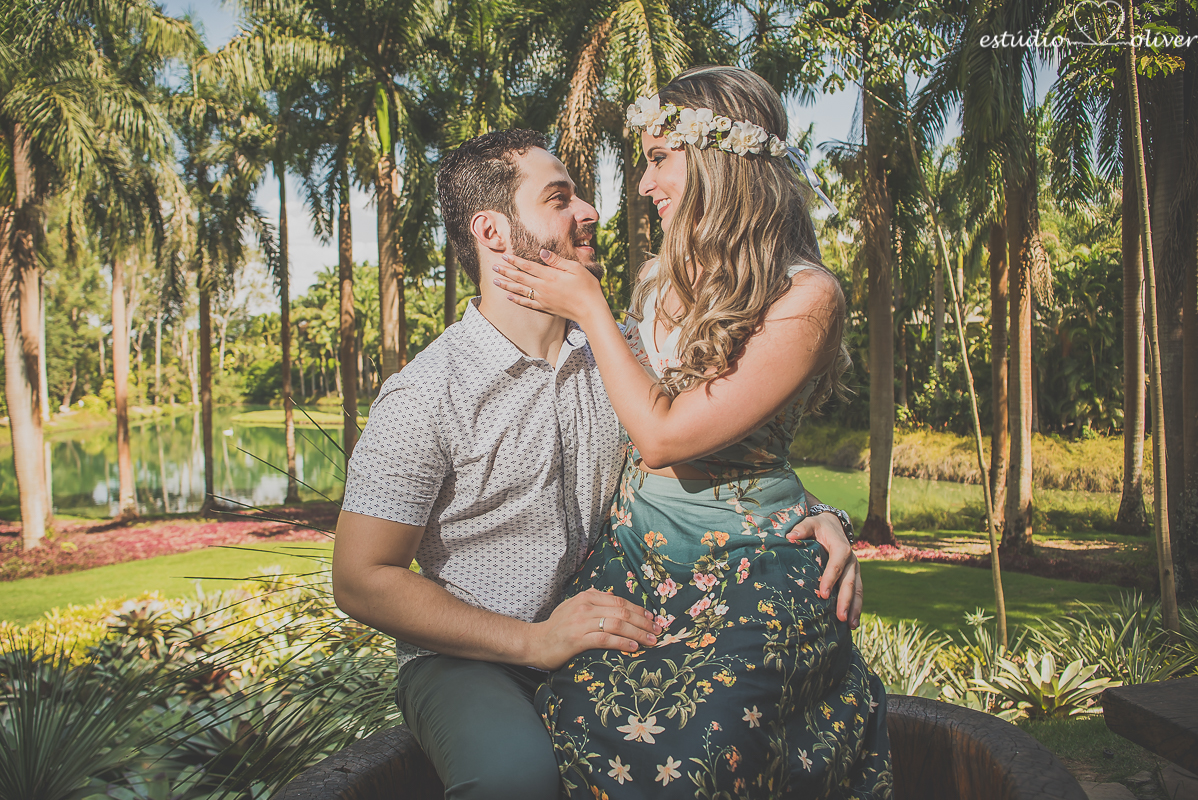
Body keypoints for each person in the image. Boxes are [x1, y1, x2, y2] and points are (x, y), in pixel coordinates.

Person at [332, 128, 863, 800]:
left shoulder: (619, 358)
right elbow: (359, 578)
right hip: (471, 655)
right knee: (515, 781)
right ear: (493, 232)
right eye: (561, 198)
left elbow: (715, 446)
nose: (591, 211)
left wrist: (817, 514)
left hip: (609, 620)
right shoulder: (427, 393)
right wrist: (532, 643)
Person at [492, 66, 891, 799]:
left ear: (718, 159)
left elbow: (666, 435)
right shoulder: (657, 282)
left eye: (656, 160)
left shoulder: (807, 297)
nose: (643, 185)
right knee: (574, 721)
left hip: (751, 566)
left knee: (705, 752)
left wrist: (588, 306)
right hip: (632, 560)